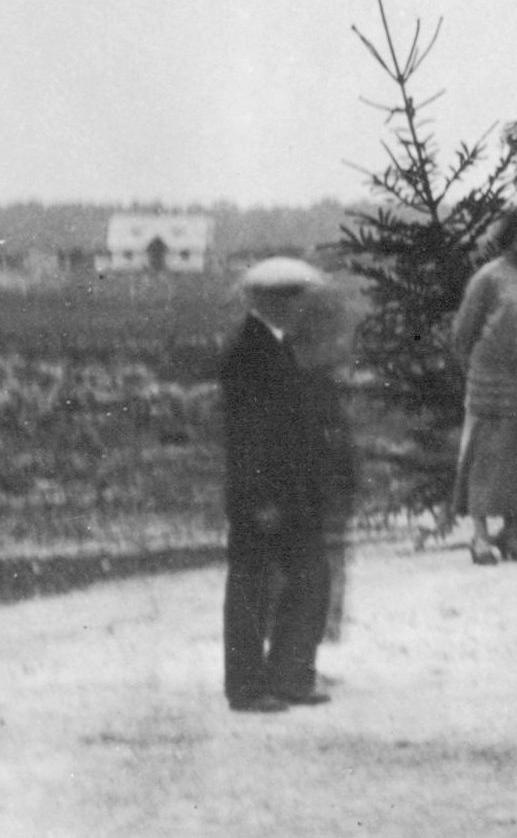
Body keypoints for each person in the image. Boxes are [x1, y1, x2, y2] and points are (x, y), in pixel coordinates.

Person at [221, 257, 349, 714]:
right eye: (292, 298)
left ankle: (291, 678)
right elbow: (249, 437)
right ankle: (248, 688)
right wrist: (261, 499)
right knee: (252, 588)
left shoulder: (279, 346)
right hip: (265, 495)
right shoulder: (248, 352)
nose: (300, 307)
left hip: (290, 493)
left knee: (310, 580)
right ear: (268, 300)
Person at [446, 206, 517, 565]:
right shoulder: (488, 278)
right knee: (484, 460)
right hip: (491, 384)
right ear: (507, 238)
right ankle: (479, 539)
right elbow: (463, 334)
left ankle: (510, 535)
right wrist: (478, 371)